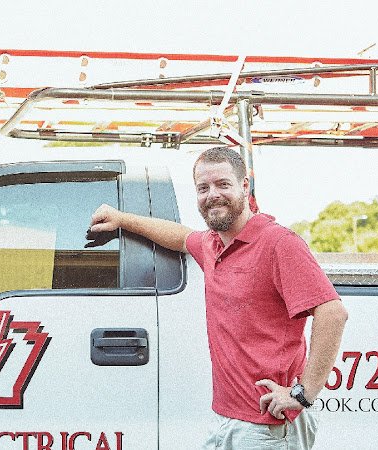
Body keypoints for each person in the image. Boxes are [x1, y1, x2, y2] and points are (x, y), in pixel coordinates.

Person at [89, 147, 348, 449]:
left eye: (223, 184)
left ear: (244, 186)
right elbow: (179, 236)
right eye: (203, 188)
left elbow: (333, 313)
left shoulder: (278, 243)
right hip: (228, 418)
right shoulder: (212, 244)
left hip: (268, 425)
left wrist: (302, 394)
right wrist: (121, 219)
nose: (212, 195)